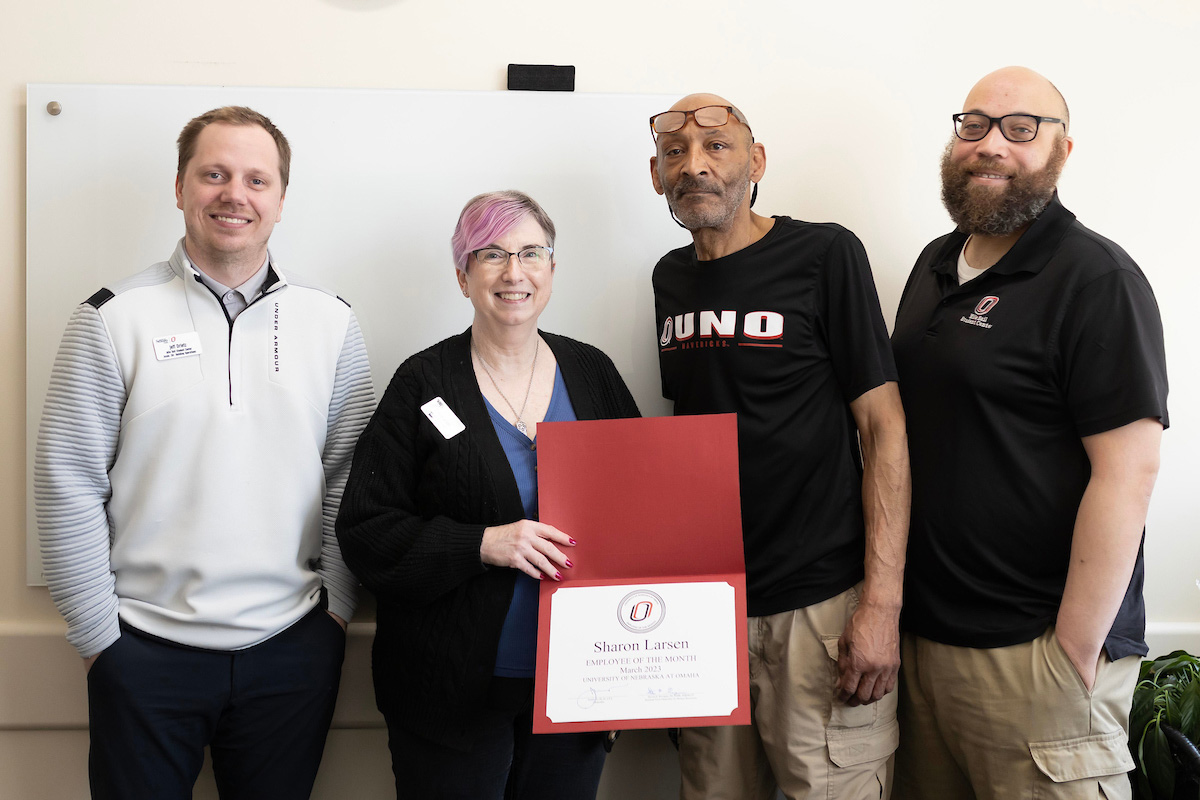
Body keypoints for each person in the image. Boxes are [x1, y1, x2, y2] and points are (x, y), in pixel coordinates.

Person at [34, 105, 375, 800]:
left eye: (256, 179)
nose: (234, 194)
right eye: (214, 174)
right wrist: (102, 640)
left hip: (292, 649)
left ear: (281, 198)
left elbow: (350, 479)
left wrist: (335, 611)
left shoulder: (331, 322)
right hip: (142, 652)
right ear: (182, 187)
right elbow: (67, 482)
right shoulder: (111, 318)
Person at [890, 66, 1168, 800]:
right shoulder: (934, 264)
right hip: (927, 646)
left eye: (1020, 128)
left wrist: (1071, 651)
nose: (991, 145)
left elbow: (1129, 472)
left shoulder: (1095, 278)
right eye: (974, 125)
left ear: (1062, 150)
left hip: (1034, 654)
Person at [336, 190, 640, 799]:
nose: (513, 271)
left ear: (552, 269)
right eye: (491, 254)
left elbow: (645, 514)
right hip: (450, 696)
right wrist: (482, 543)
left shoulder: (593, 374)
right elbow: (365, 531)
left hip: (580, 683)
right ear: (462, 275)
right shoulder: (423, 383)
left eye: (531, 252)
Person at [649, 94, 910, 800]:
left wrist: (881, 606)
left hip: (818, 606)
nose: (694, 166)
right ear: (655, 175)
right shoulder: (669, 280)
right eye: (675, 154)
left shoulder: (825, 253)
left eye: (717, 146)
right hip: (706, 611)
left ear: (756, 162)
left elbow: (883, 426)